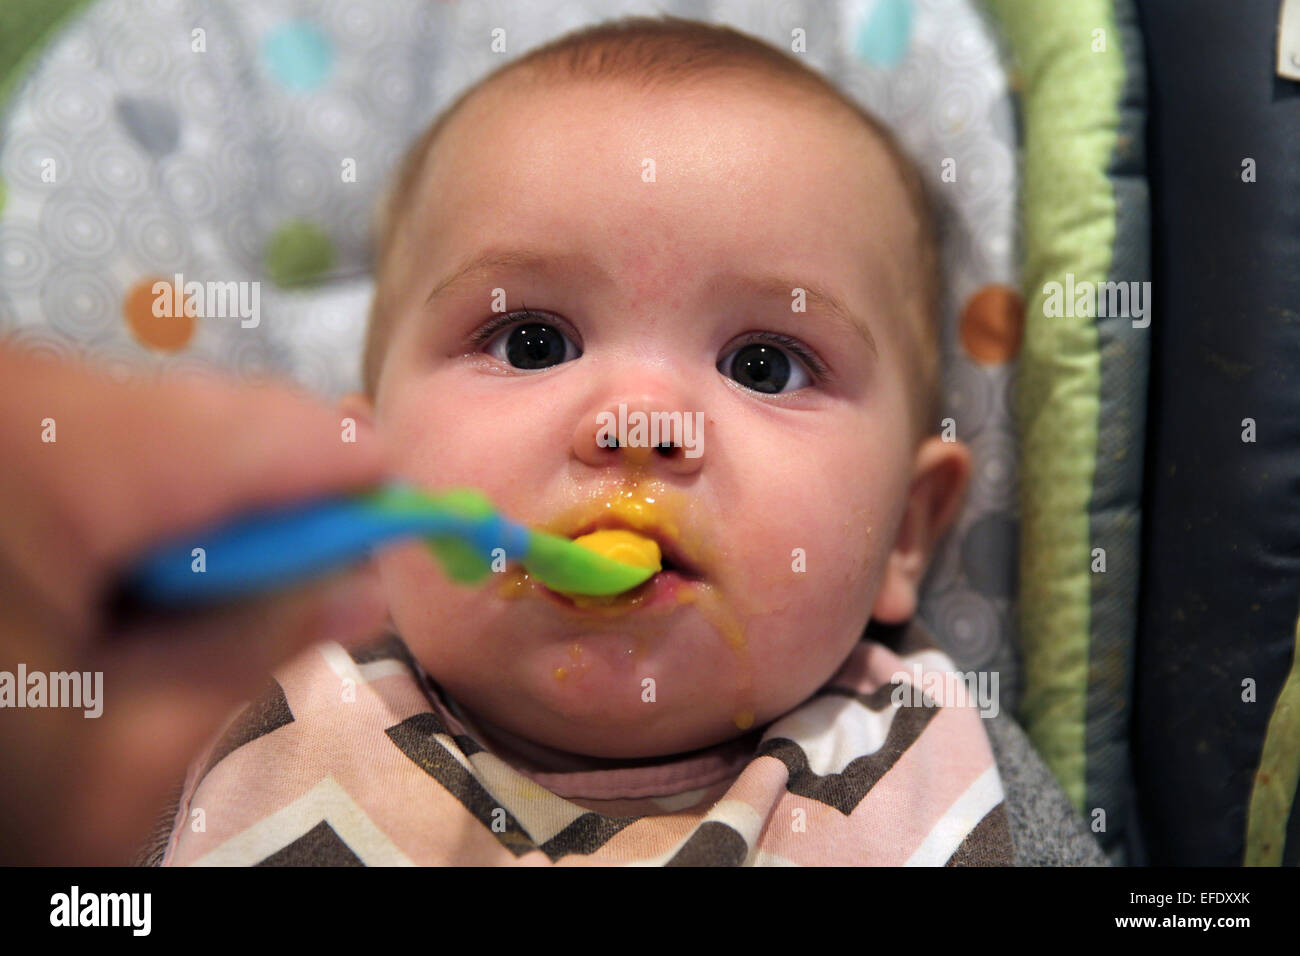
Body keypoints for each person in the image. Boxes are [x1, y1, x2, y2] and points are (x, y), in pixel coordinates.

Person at [2, 15, 1106, 866]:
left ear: (907, 533)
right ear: (362, 466)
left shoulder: (938, 772)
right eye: (530, 340)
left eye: (763, 363)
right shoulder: (217, 707)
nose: (638, 424)